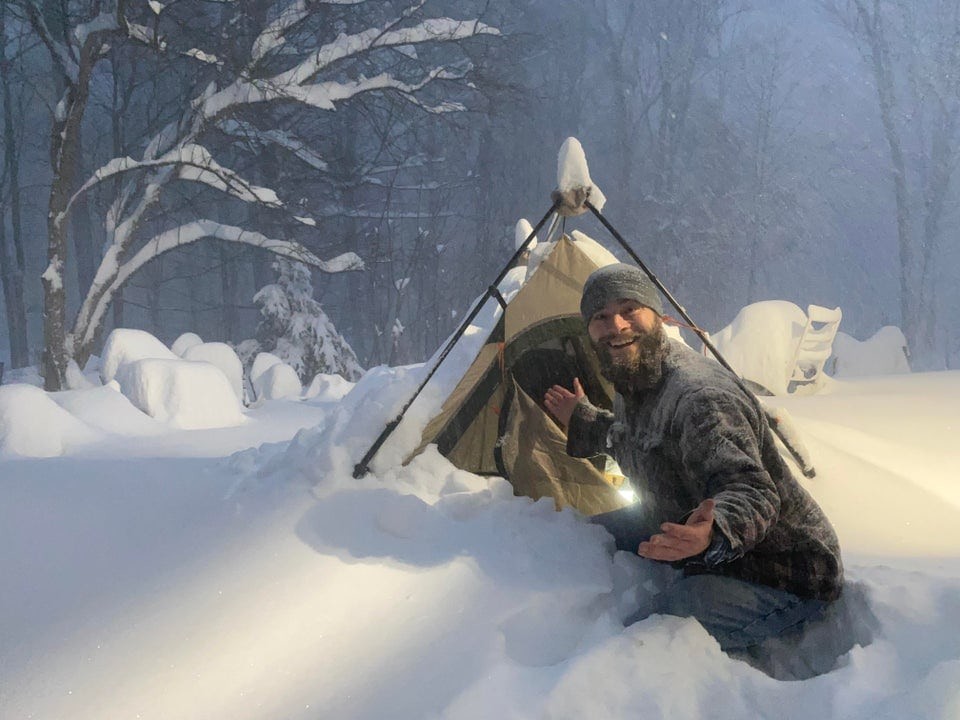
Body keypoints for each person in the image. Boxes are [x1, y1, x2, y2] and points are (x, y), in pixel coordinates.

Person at [543, 263, 843, 653]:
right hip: (686, 529)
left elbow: (751, 490)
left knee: (645, 640)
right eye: (600, 316)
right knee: (585, 538)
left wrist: (714, 531)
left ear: (658, 315)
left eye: (629, 309)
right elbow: (639, 441)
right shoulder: (637, 375)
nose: (616, 325)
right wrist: (583, 420)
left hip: (782, 570)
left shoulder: (701, 398)